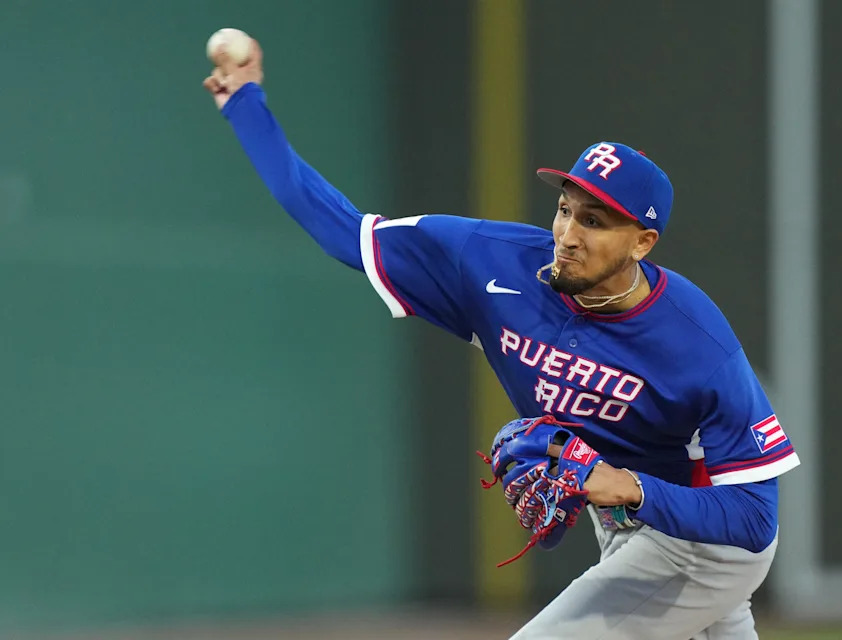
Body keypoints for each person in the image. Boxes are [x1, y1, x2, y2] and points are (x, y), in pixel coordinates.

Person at [203, 40, 800, 640]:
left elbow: (751, 520)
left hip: (700, 544)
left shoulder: (699, 344)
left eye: (594, 222)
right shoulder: (490, 262)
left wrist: (623, 485)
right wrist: (246, 105)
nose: (567, 234)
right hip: (625, 527)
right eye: (566, 209)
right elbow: (339, 228)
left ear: (642, 243)